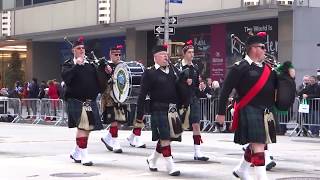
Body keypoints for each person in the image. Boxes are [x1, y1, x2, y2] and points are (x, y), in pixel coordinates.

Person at [216, 32, 278, 180]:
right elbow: (225, 91)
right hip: (249, 109)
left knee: (258, 144)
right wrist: (221, 113)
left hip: (265, 112)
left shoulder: (268, 69)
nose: (265, 50)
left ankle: (241, 170)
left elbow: (278, 88)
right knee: (258, 145)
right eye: (262, 47)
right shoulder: (239, 67)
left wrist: (286, 74)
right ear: (253, 49)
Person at [61, 36, 107, 166]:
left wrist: (106, 71)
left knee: (88, 128)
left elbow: (100, 80)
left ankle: (76, 152)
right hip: (76, 100)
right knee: (83, 127)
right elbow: (67, 78)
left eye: (83, 48)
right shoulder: (68, 64)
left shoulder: (91, 64)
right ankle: (84, 155)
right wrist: (76, 66)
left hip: (90, 100)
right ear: (73, 50)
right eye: (78, 48)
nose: (81, 50)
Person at [136, 45, 181, 176]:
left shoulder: (173, 70)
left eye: (166, 54)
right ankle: (170, 165)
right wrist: (140, 113)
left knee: (168, 137)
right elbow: (142, 94)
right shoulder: (149, 73)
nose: (166, 56)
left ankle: (152, 159)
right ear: (155, 57)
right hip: (158, 108)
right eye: (162, 54)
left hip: (172, 109)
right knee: (165, 137)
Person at [100, 45, 146, 154]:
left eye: (119, 54)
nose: (118, 56)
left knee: (120, 121)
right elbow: (101, 81)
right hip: (110, 96)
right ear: (110, 55)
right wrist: (107, 73)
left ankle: (107, 138)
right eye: (116, 54)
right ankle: (115, 142)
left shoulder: (123, 66)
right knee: (114, 120)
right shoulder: (105, 66)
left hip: (121, 96)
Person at [176, 40, 209, 161]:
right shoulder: (178, 67)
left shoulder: (195, 67)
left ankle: (197, 152)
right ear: (184, 53)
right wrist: (184, 82)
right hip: (181, 101)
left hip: (193, 99)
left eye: (193, 52)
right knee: (174, 127)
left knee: (196, 125)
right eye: (189, 52)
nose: (192, 54)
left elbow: (195, 84)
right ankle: (164, 149)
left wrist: (199, 87)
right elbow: (175, 84)